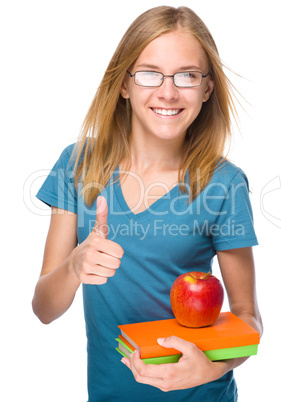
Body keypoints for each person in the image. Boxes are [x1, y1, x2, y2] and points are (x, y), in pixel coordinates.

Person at [32, 5, 263, 402]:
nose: (168, 91)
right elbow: (44, 309)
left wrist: (213, 367)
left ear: (207, 89)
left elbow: (248, 318)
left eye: (187, 76)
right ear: (124, 84)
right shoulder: (77, 164)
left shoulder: (224, 184)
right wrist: (75, 264)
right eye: (149, 73)